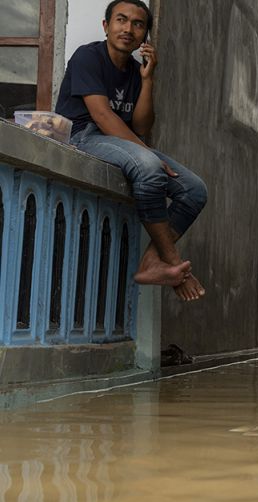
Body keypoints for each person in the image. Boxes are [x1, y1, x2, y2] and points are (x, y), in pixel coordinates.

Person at [55, 0, 207, 302]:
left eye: (138, 24)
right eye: (121, 20)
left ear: (145, 36)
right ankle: (173, 262)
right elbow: (101, 116)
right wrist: (146, 154)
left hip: (120, 141)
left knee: (194, 190)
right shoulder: (88, 56)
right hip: (83, 135)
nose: (128, 29)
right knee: (149, 167)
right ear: (106, 26)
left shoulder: (137, 71)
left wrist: (147, 80)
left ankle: (152, 263)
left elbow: (141, 125)